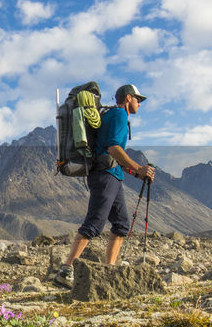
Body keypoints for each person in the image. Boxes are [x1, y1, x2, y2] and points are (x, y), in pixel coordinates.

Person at [53, 84, 156, 287]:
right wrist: (139, 168)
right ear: (128, 98)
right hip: (105, 176)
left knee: (121, 224)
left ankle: (109, 269)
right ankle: (66, 270)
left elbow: (109, 154)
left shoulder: (111, 115)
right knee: (95, 223)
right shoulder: (119, 115)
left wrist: (136, 173)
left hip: (111, 175)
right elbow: (114, 148)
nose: (139, 104)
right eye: (138, 99)